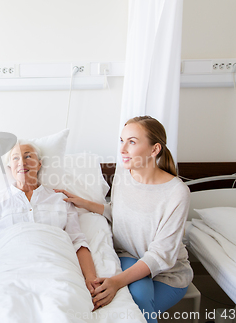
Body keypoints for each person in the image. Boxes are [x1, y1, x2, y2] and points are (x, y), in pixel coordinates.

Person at [56, 116, 193, 323]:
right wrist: (83, 202)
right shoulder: (123, 174)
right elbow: (119, 212)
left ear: (154, 150)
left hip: (168, 274)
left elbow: (161, 254)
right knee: (136, 297)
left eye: (132, 142)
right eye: (122, 140)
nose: (122, 149)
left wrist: (115, 282)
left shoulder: (177, 192)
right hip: (130, 256)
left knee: (138, 303)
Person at [0, 142, 98, 316]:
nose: (22, 162)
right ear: (10, 167)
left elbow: (78, 242)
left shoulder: (60, 200)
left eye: (28, 156)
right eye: (16, 158)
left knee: (64, 310)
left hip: (57, 271)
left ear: (39, 163)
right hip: (8, 273)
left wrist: (91, 278)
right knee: (5, 312)